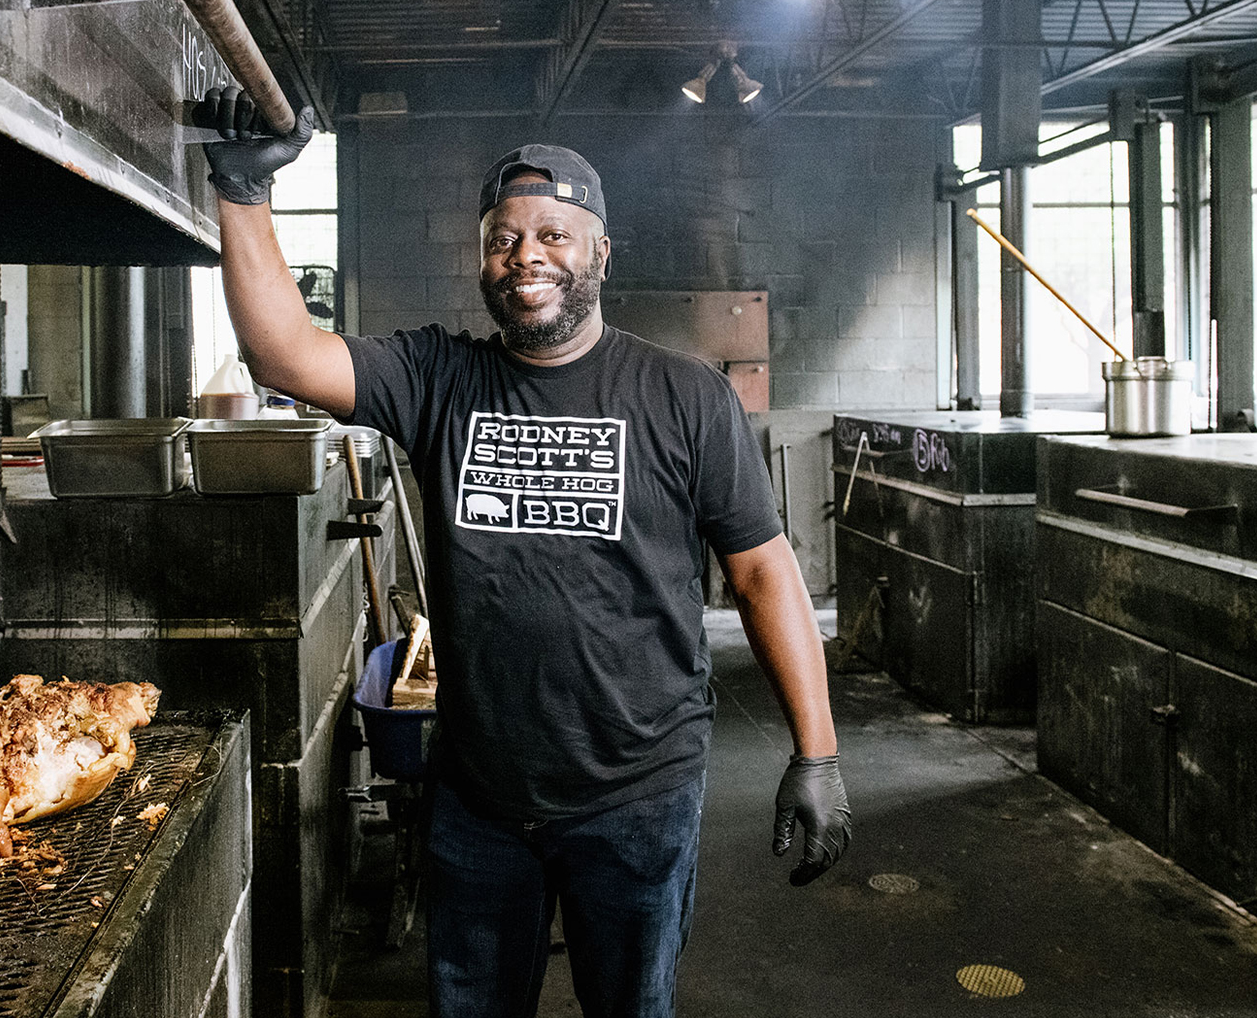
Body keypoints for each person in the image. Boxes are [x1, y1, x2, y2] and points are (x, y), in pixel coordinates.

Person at [194, 87, 851, 1018]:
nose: (526, 255)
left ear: (600, 253)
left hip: (637, 794)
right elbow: (285, 356)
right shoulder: (439, 376)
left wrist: (817, 754)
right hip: (480, 795)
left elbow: (762, 572)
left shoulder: (685, 396)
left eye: (553, 235)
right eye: (504, 239)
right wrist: (242, 193)